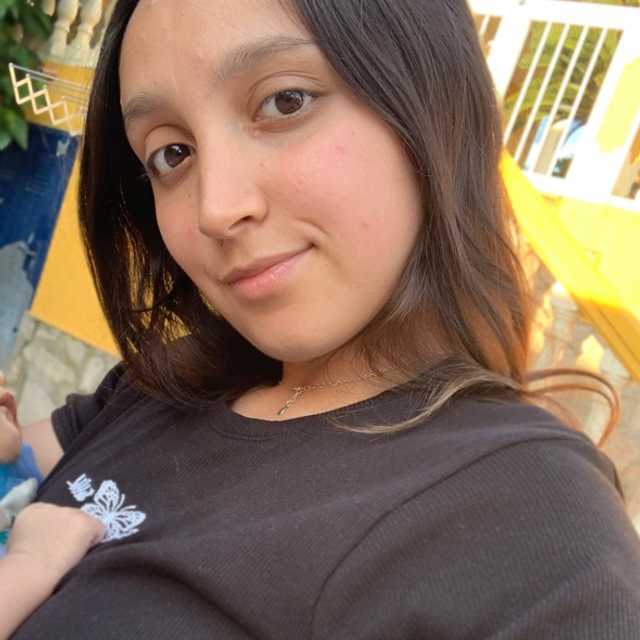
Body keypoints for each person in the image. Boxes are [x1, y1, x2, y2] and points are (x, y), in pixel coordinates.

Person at [2, 0, 640, 637]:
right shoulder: (167, 382)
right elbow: (17, 453)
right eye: (171, 154)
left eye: (284, 102)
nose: (215, 209)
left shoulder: (533, 528)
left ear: (430, 100)